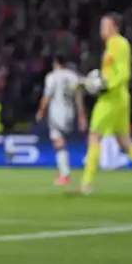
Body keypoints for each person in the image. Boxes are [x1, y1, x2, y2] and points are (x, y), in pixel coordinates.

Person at [80, 13, 132, 196]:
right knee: (125, 141)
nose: (102, 30)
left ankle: (87, 183)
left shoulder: (119, 44)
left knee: (94, 137)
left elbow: (124, 73)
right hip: (119, 98)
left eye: (105, 26)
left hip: (112, 98)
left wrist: (105, 85)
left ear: (114, 27)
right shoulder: (112, 45)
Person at [36, 53, 86, 186]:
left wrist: (41, 111)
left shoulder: (52, 76)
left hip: (57, 113)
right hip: (70, 112)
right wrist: (81, 116)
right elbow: (78, 98)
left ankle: (65, 174)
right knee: (61, 141)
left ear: (56, 63)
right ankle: (62, 169)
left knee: (58, 142)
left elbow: (47, 96)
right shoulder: (74, 76)